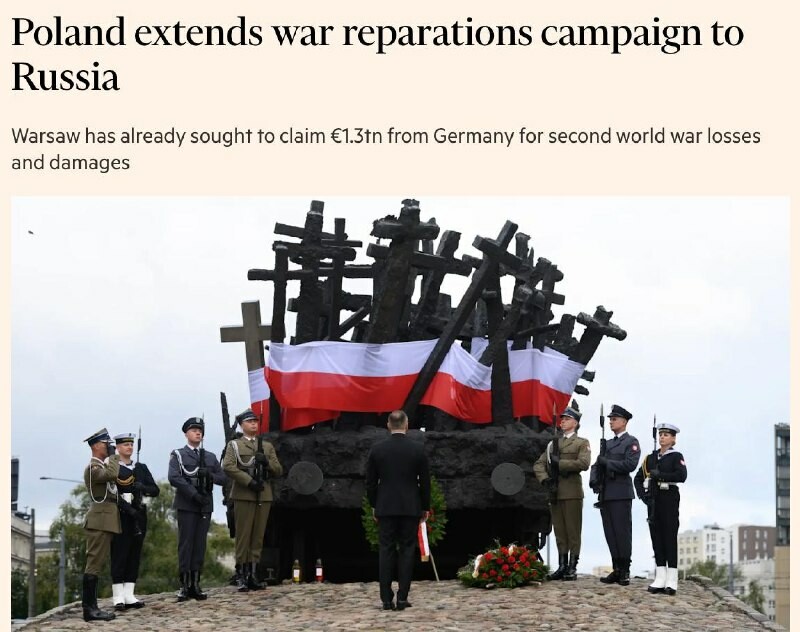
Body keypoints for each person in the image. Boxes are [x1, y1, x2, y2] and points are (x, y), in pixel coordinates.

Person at [365, 410, 431, 611]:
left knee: (385, 550)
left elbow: (370, 483)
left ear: (388, 425)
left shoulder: (377, 449)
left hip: (385, 507)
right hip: (410, 507)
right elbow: (425, 482)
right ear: (407, 424)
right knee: (407, 551)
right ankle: (402, 597)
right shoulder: (418, 449)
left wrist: (374, 504)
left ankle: (386, 599)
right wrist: (425, 506)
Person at [222, 409, 283, 592]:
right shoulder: (235, 445)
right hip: (244, 493)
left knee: (258, 535)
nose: (254, 424)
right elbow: (228, 466)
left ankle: (253, 573)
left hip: (263, 493)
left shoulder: (267, 446)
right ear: (242, 425)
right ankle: (241, 574)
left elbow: (278, 470)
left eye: (255, 421)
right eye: (249, 422)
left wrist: (266, 463)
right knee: (244, 535)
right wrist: (249, 481)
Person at [168, 417, 226, 601]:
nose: (198, 433)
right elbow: (174, 477)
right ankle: (185, 584)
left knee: (200, 544)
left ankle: (195, 583)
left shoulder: (210, 457)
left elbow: (223, 478)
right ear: (186, 433)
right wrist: (193, 494)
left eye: (200, 431)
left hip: (205, 504)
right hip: (188, 503)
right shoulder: (178, 454)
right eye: (194, 430)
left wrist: (210, 475)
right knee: (186, 544)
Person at [533, 403, 591, 581]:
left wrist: (561, 464)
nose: (563, 422)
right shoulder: (553, 444)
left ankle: (572, 566)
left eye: (567, 419)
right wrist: (545, 479)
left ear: (575, 423)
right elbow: (539, 464)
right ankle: (562, 565)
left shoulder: (581, 443)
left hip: (572, 492)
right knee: (559, 531)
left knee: (573, 531)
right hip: (555, 491)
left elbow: (584, 463)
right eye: (562, 419)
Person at [634, 422, 687, 595]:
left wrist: (661, 475)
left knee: (669, 537)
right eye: (661, 434)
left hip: (669, 497)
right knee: (656, 538)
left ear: (673, 439)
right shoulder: (650, 458)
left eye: (666, 435)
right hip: (654, 500)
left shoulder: (676, 456)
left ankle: (672, 579)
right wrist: (643, 496)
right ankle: (660, 576)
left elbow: (682, 475)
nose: (662, 437)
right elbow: (638, 478)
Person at [590, 404, 641, 586]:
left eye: (614, 419)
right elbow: (597, 464)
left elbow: (630, 465)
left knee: (622, 532)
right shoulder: (608, 444)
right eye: (610, 419)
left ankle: (625, 569)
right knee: (610, 533)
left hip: (620, 493)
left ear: (624, 422)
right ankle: (616, 568)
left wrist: (608, 463)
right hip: (606, 493)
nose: (611, 422)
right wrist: (594, 481)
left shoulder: (631, 442)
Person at [109, 432, 160, 610]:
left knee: (134, 554)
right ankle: (118, 596)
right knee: (119, 553)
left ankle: (129, 594)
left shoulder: (141, 467)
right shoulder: (113, 467)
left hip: (139, 514)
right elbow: (112, 493)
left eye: (131, 444)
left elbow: (155, 490)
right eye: (125, 445)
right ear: (118, 447)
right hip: (121, 514)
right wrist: (127, 508)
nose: (129, 447)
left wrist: (142, 487)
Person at [81, 428, 120, 622]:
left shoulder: (100, 467)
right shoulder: (93, 469)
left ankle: (92, 607)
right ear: (96, 446)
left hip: (106, 519)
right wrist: (114, 456)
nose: (109, 447)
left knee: (97, 564)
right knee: (94, 564)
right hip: (99, 520)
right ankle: (89, 609)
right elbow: (112, 474)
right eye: (106, 444)